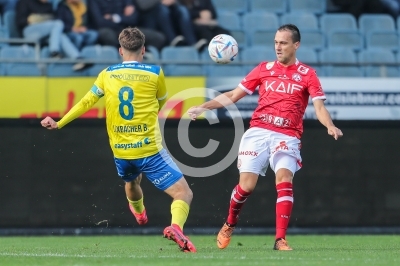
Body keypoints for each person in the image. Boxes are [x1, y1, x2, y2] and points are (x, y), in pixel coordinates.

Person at [187, 24, 343, 251]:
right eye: (276, 42)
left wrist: (329, 125)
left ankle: (280, 239)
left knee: (284, 180)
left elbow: (319, 107)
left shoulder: (308, 74)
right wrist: (204, 106)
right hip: (259, 131)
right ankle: (230, 222)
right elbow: (233, 95)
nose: (278, 47)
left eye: (283, 43)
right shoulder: (263, 69)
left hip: (288, 135)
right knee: (246, 187)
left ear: (296, 45)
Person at [40, 27, 197, 253]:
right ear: (144, 49)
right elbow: (161, 102)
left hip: (121, 152)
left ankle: (140, 214)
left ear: (120, 51)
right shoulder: (155, 73)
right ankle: (176, 227)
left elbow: (86, 102)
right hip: (149, 150)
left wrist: (59, 122)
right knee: (183, 193)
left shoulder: (107, 74)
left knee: (132, 181)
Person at [16, 0, 88, 71]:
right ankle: (54, 52)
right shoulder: (25, 2)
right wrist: (33, 20)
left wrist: (40, 19)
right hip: (29, 32)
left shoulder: (48, 5)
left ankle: (77, 59)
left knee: (61, 35)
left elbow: (52, 19)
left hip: (45, 34)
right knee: (58, 23)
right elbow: (20, 22)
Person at [87, 0, 166, 51]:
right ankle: (119, 61)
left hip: (126, 28)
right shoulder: (94, 1)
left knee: (158, 37)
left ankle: (144, 57)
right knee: (107, 35)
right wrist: (124, 18)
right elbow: (100, 23)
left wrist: (114, 18)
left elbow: (134, 19)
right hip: (108, 30)